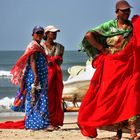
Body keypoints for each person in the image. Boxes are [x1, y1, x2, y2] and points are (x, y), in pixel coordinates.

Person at [78, 0, 140, 139]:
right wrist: (102, 49)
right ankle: (118, 133)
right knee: (113, 98)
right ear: (117, 12)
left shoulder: (132, 26)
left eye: (128, 10)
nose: (127, 13)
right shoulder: (109, 26)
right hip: (111, 67)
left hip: (128, 67)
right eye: (124, 10)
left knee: (130, 96)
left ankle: (133, 132)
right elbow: (89, 35)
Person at [0, 26, 54, 131]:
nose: (39, 35)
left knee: (40, 99)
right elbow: (32, 61)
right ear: (33, 34)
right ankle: (34, 124)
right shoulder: (33, 45)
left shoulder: (40, 45)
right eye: (37, 33)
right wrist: (36, 76)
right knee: (34, 99)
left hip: (41, 76)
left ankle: (41, 123)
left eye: (41, 33)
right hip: (35, 76)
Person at [42, 25, 64, 129]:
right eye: (52, 32)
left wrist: (56, 60)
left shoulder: (60, 47)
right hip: (45, 75)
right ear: (46, 34)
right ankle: (45, 121)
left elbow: (60, 62)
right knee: (46, 97)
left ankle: (54, 121)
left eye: (55, 33)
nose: (54, 34)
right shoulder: (41, 46)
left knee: (56, 97)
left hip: (56, 75)